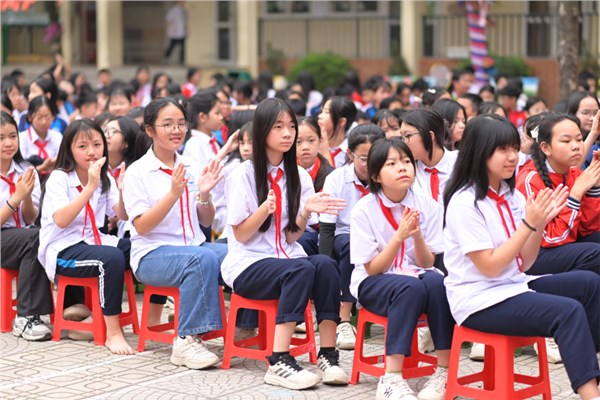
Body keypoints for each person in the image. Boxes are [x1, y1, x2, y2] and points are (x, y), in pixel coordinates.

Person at [443, 114, 600, 400]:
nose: (513, 156)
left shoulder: (510, 194)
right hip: (479, 300)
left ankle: (590, 367)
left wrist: (539, 224)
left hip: (513, 285)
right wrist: (530, 224)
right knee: (568, 311)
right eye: (502, 149)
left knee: (590, 283)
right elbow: (490, 267)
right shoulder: (465, 203)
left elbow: (525, 263)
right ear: (480, 151)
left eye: (515, 148)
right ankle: (591, 394)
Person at [220, 98, 348, 390]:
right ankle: (279, 361)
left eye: (291, 126)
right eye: (278, 127)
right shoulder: (242, 175)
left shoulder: (298, 176)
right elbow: (241, 235)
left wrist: (306, 211)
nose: (288, 133)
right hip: (248, 264)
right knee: (300, 269)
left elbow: (290, 237)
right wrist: (263, 210)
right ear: (263, 130)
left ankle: (328, 355)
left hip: (285, 257)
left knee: (325, 264)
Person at [123, 97, 227, 369]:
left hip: (194, 247)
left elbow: (206, 221)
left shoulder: (190, 165)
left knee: (240, 254)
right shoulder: (138, 172)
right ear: (149, 130)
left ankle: (245, 326)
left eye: (181, 124)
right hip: (152, 255)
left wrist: (204, 194)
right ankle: (186, 341)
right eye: (167, 124)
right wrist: (173, 194)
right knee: (200, 259)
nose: (176, 130)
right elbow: (142, 226)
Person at [350, 137, 453, 400]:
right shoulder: (364, 210)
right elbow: (373, 268)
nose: (402, 167)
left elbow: (427, 263)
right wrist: (399, 236)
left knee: (439, 283)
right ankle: (391, 377)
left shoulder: (428, 205)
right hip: (374, 281)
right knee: (409, 287)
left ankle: (444, 371)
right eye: (392, 163)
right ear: (376, 175)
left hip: (414, 274)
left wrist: (417, 236)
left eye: (407, 161)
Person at [38, 119, 134, 355]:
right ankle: (112, 332)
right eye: (82, 146)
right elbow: (61, 220)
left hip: (94, 241)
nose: (91, 152)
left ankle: (97, 316)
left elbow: (122, 214)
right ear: (69, 149)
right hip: (62, 249)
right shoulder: (60, 178)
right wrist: (89, 187)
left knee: (139, 248)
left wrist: (122, 190)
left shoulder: (105, 177)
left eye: (97, 144)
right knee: (111, 258)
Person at [319, 124, 384, 350]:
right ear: (350, 154)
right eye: (364, 158)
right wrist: (324, 265)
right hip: (345, 236)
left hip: (380, 238)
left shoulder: (386, 177)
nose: (369, 164)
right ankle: (344, 319)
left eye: (375, 157)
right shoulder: (336, 179)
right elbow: (327, 228)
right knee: (353, 244)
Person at [1, 111, 54, 341]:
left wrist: (26, 198)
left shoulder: (25, 169)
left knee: (48, 235)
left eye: (13, 136)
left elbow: (30, 218)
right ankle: (26, 316)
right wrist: (15, 198)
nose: (8, 143)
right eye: (1, 138)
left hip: (21, 236)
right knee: (35, 238)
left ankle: (72, 307)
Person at [295, 117, 333, 256]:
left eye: (311, 140)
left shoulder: (330, 175)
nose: (305, 147)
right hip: (288, 228)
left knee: (302, 241)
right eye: (298, 142)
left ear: (320, 141)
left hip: (317, 231)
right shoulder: (284, 171)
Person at [18, 96, 62, 177]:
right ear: (30, 117)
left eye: (48, 117)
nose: (44, 122)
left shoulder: (57, 137)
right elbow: (20, 170)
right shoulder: (22, 138)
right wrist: (43, 167)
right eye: (39, 117)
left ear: (53, 117)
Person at [183, 91, 224, 170]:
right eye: (217, 113)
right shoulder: (195, 145)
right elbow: (200, 175)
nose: (221, 117)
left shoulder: (212, 141)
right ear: (202, 117)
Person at [318, 96, 357, 169]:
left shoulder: (351, 152)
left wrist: (325, 152)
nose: (320, 116)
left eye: (326, 112)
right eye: (322, 111)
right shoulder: (315, 144)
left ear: (342, 121)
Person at [566, 91, 600, 169]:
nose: (592, 118)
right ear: (572, 114)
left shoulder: (597, 145)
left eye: (596, 113)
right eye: (585, 113)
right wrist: (593, 134)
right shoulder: (563, 139)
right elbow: (573, 169)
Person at [163, 1, 187, 65]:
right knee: (171, 47)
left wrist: (186, 31)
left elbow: (184, 22)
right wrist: (171, 31)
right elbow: (169, 21)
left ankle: (181, 61)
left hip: (182, 32)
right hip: (174, 33)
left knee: (182, 48)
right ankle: (166, 58)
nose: (184, 3)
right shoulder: (173, 10)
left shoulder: (184, 11)